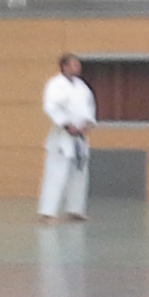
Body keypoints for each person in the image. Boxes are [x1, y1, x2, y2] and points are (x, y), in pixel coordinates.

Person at [38, 53, 96, 222]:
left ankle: (75, 210)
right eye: (74, 64)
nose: (78, 67)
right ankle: (48, 212)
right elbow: (51, 107)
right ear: (64, 66)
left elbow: (90, 107)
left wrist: (88, 123)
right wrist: (66, 124)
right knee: (56, 173)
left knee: (79, 173)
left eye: (78, 65)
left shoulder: (82, 86)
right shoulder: (55, 85)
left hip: (80, 137)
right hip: (62, 135)